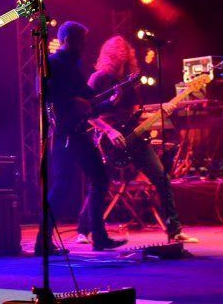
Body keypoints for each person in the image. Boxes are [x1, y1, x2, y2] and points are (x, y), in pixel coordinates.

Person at [74, 35, 199, 244]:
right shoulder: (98, 78)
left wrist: (160, 113)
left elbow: (134, 112)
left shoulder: (132, 80)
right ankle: (83, 230)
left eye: (125, 55)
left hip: (134, 136)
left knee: (161, 177)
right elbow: (86, 113)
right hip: (108, 140)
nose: (122, 58)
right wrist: (109, 131)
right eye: (118, 55)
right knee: (100, 184)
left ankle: (174, 230)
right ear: (110, 56)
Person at [34, 21, 127, 255]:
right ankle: (43, 242)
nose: (84, 45)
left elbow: (88, 100)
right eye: (80, 41)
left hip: (77, 132)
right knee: (63, 184)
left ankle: (99, 237)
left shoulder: (74, 65)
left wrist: (110, 102)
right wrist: (72, 101)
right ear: (67, 40)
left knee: (98, 177)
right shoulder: (53, 63)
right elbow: (44, 92)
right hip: (65, 133)